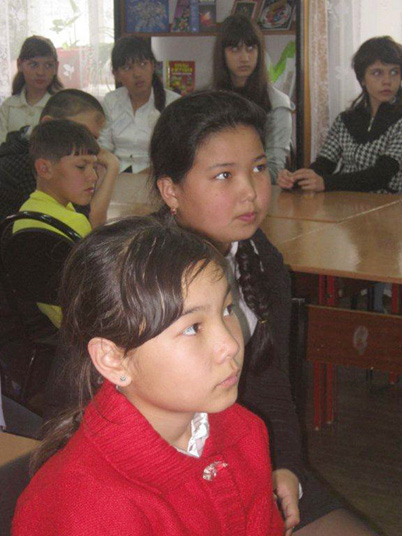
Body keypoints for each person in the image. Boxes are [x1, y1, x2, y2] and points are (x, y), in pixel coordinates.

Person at [149, 91, 378, 535]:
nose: (250, 191)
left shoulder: (260, 258)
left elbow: (273, 386)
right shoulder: (140, 275)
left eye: (258, 168)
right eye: (224, 175)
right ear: (170, 190)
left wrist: (285, 465)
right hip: (163, 478)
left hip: (246, 450)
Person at [12, 217, 284, 536]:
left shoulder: (245, 432)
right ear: (114, 359)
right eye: (193, 328)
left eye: (227, 309)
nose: (231, 344)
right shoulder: (90, 508)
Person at [13, 119, 116, 328]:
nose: (93, 176)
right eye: (81, 167)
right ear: (44, 168)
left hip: (43, 324)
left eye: (94, 166)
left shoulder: (24, 213)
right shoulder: (72, 222)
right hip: (83, 325)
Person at [278, 36, 402, 193]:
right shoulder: (346, 120)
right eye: (377, 73)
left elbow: (381, 174)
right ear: (362, 79)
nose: (387, 81)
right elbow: (324, 163)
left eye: (394, 72)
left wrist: (325, 183)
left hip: (389, 204)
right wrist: (296, 179)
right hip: (344, 201)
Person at [0, 89, 118, 223]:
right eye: (79, 134)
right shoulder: (27, 165)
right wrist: (113, 166)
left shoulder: (23, 145)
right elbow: (92, 224)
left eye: (94, 138)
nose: (90, 145)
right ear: (48, 124)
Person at [213, 14, 294, 184]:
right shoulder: (209, 100)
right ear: (222, 54)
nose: (244, 58)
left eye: (251, 48)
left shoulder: (277, 103)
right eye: (235, 49)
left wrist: (234, 178)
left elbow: (274, 168)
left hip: (257, 189)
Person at [98, 36, 180, 173]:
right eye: (127, 68)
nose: (137, 74)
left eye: (143, 64)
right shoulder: (111, 100)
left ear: (152, 66)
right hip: (116, 174)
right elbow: (104, 145)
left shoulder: (172, 103)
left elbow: (175, 153)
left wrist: (144, 176)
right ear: (116, 74)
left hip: (156, 175)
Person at [0, 36, 63, 144]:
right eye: (33, 64)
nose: (41, 72)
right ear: (19, 65)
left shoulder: (62, 106)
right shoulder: (8, 107)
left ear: (56, 67)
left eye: (48, 65)